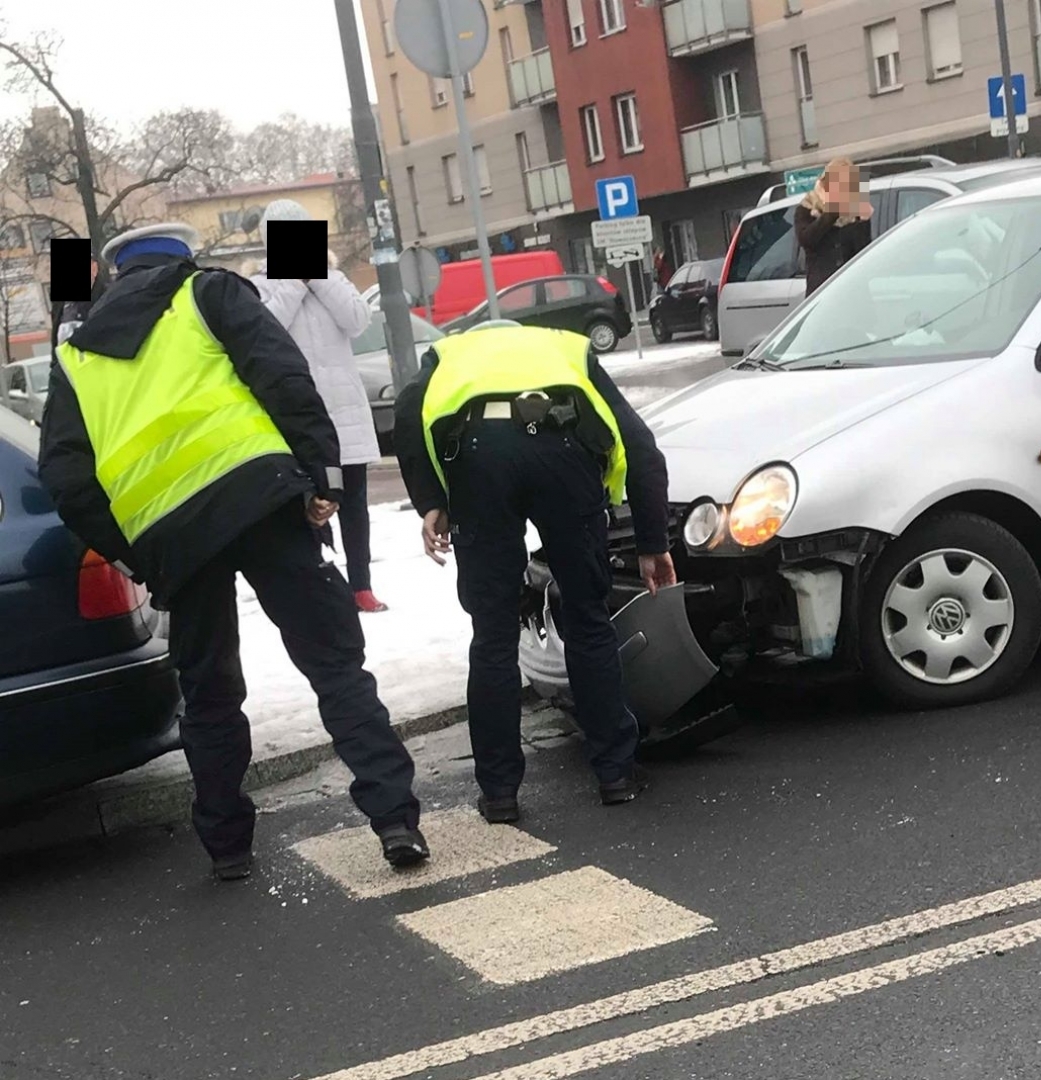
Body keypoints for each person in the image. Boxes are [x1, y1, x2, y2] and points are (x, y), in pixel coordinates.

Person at [40, 222, 428, 881]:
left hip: (171, 537)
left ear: (113, 272)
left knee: (209, 691)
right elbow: (282, 378)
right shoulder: (209, 292)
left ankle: (227, 848)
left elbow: (67, 480)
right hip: (261, 500)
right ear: (180, 256)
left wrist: (133, 552)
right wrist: (322, 476)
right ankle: (395, 821)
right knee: (334, 666)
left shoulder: (76, 355)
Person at [393, 321, 674, 818]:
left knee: (494, 634)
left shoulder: (447, 353)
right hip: (562, 453)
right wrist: (653, 543)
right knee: (588, 618)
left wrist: (432, 500)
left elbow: (407, 417)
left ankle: (499, 793)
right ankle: (615, 774)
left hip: (478, 458)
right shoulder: (567, 347)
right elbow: (640, 445)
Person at [247, 198, 387, 614]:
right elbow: (266, 329)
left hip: (346, 414)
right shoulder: (261, 286)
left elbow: (358, 320)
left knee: (354, 505)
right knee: (307, 506)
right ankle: (317, 588)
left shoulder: (333, 277)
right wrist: (294, 281)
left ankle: (361, 585)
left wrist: (320, 277)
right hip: (299, 418)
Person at [794, 157, 874, 296]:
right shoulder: (807, 208)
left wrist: (864, 221)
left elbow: (863, 254)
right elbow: (807, 240)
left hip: (853, 292)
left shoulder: (854, 210)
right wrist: (833, 210)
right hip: (823, 292)